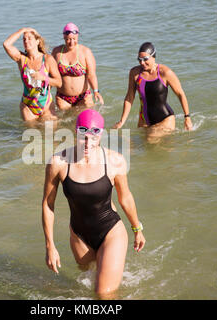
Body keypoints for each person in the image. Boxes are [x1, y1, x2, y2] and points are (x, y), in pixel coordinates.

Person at [42, 109, 145, 299]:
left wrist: (137, 228)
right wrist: (50, 245)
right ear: (75, 133)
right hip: (79, 237)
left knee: (102, 294)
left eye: (93, 137)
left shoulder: (115, 161)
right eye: (83, 137)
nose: (88, 143)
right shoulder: (58, 162)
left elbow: (126, 197)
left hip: (110, 231)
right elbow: (48, 205)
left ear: (101, 136)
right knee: (87, 286)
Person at [114, 42, 193, 140]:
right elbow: (130, 97)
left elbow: (180, 94)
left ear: (153, 57)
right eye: (139, 60)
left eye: (145, 59)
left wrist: (187, 117)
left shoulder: (165, 72)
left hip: (165, 119)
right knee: (134, 147)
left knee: (150, 139)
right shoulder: (135, 73)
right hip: (144, 120)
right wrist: (122, 121)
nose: (142, 63)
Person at [4, 27, 62, 122]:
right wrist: (23, 30)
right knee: (31, 134)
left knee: (50, 133)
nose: (26, 41)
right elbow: (6, 44)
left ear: (37, 41)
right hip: (27, 106)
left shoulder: (47, 59)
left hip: (46, 106)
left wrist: (43, 77)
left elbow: (59, 83)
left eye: (30, 38)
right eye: (24, 39)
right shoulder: (21, 59)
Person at [52, 23, 104, 110]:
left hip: (83, 97)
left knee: (85, 121)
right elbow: (51, 74)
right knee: (64, 122)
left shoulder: (85, 52)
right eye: (68, 39)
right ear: (64, 37)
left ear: (78, 37)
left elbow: (91, 75)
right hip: (62, 97)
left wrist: (96, 91)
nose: (71, 42)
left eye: (74, 39)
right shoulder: (57, 52)